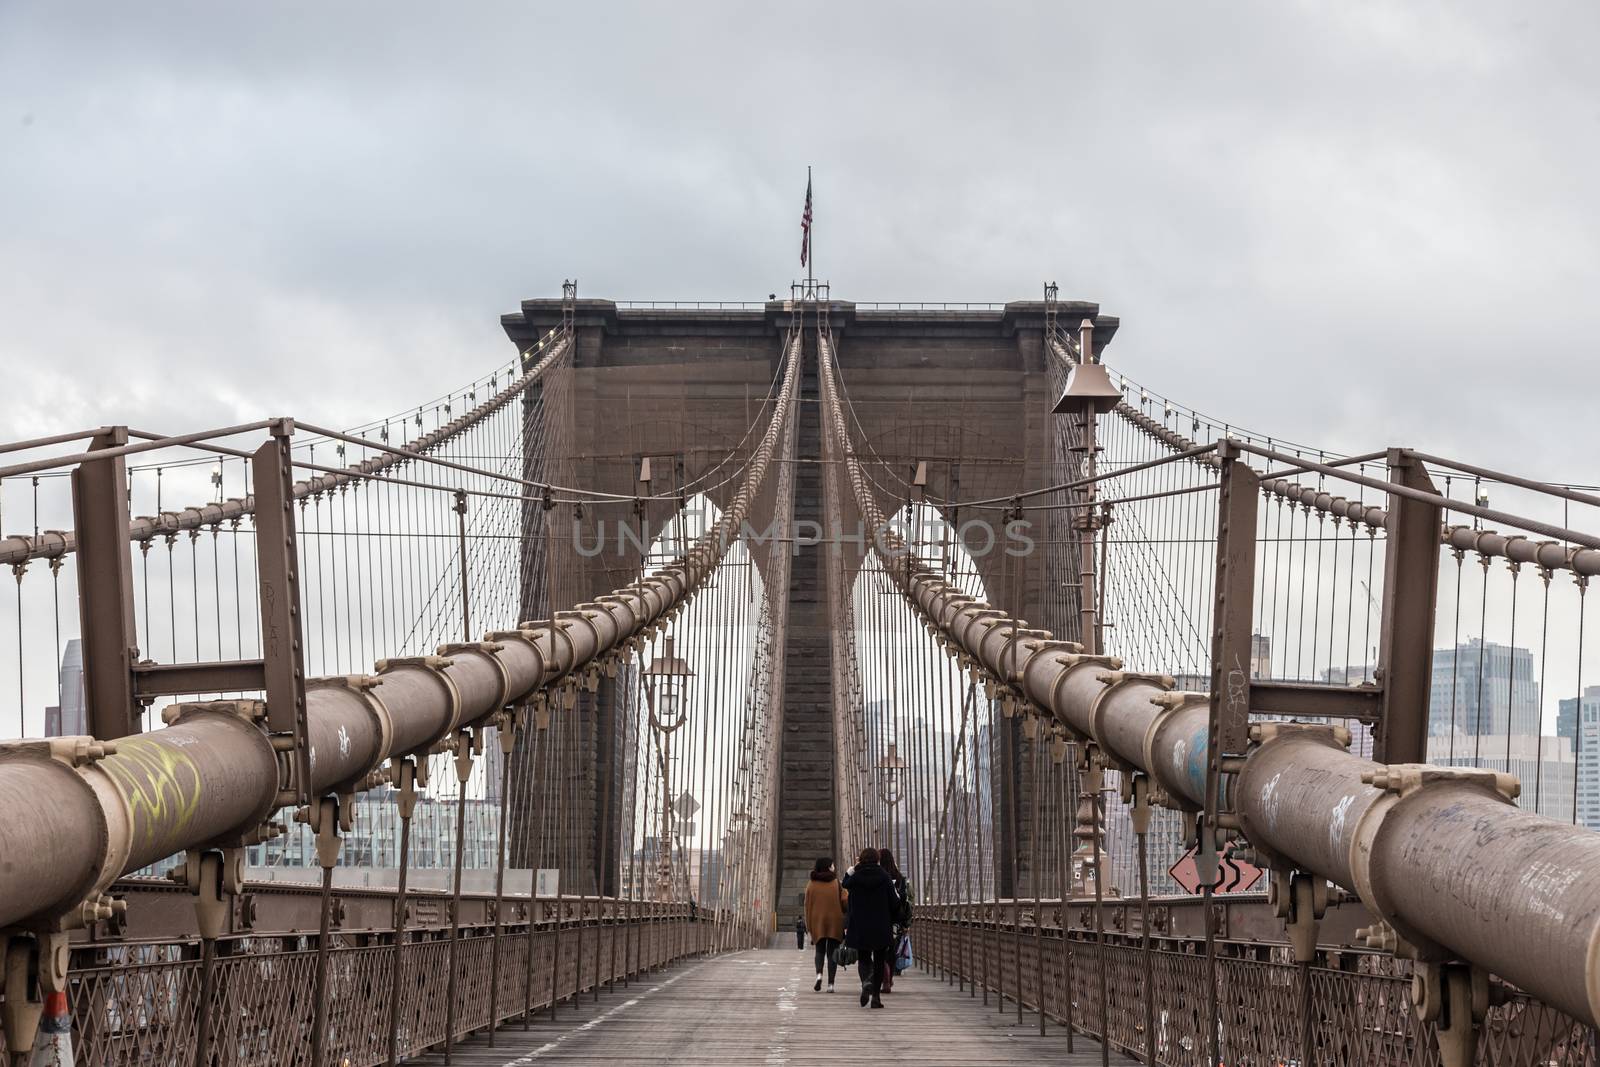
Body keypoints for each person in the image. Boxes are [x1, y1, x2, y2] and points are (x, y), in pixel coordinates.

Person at [841, 847, 896, 1009]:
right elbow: (893, 901)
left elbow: (845, 883)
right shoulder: (885, 877)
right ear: (877, 859)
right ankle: (876, 998)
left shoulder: (855, 878)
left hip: (860, 925)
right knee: (879, 960)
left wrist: (853, 868)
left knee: (864, 958)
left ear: (861, 860)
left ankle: (866, 982)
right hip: (880, 925)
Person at [803, 856, 847, 991]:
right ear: (828, 867)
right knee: (832, 953)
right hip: (835, 920)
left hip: (817, 920)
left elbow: (806, 905)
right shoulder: (836, 883)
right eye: (832, 865)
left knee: (819, 950)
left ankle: (819, 975)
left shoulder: (811, 884)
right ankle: (831, 984)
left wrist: (808, 924)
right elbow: (845, 902)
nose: (834, 867)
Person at [876, 848, 912, 994]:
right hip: (896, 920)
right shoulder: (901, 879)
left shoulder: (878, 877)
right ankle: (889, 979)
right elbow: (908, 901)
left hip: (879, 919)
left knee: (880, 951)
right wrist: (906, 922)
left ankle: (885, 981)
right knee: (891, 951)